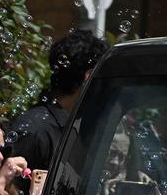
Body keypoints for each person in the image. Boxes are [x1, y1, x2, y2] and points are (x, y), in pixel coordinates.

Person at [9, 29, 109, 175]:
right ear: (89, 77)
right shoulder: (35, 131)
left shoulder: (72, 126)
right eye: (103, 76)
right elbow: (10, 192)